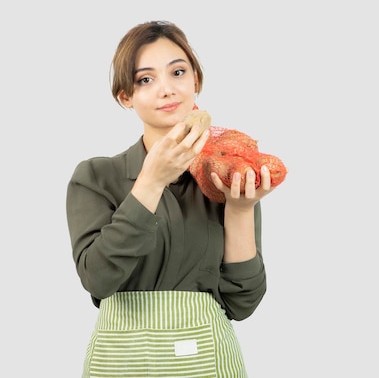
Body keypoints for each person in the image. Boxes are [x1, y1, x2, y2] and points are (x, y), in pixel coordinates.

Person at [66, 20, 274, 378]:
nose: (167, 89)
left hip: (207, 362)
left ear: (196, 81)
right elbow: (97, 279)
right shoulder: (96, 177)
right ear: (125, 97)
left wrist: (240, 208)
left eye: (178, 72)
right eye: (145, 79)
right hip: (120, 363)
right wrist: (150, 181)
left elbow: (242, 302)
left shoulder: (225, 177)